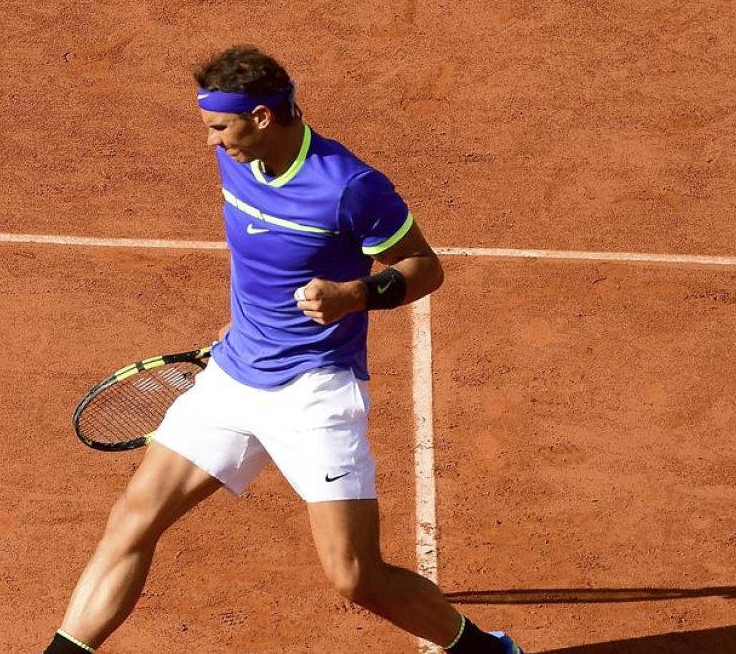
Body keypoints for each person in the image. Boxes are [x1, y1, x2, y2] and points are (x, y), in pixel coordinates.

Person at [43, 46, 526, 654]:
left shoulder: (350, 186)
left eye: (221, 128)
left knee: (353, 576)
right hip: (232, 375)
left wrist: (356, 293)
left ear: (263, 117)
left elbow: (424, 268)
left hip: (314, 391)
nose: (213, 144)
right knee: (132, 520)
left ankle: (484, 651)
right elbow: (258, 263)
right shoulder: (238, 160)